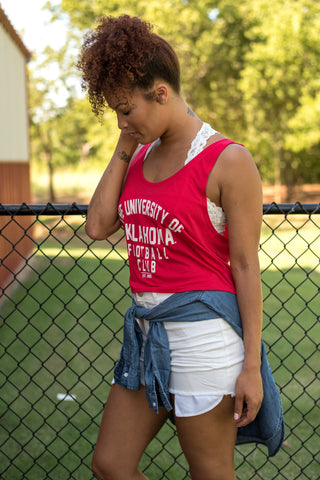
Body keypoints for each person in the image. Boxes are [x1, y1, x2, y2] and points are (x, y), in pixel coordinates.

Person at [77, 14, 284, 480]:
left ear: (162, 92)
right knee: (110, 464)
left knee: (210, 473)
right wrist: (125, 144)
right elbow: (97, 226)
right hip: (147, 336)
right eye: (115, 110)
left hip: (206, 342)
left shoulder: (228, 160)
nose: (121, 121)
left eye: (127, 109)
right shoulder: (140, 151)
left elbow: (248, 267)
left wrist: (251, 366)